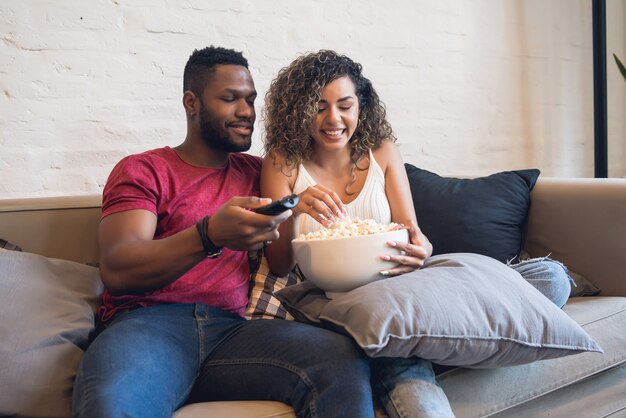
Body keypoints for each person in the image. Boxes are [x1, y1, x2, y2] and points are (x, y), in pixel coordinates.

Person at [259, 50, 572, 418]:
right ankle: (436, 339)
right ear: (298, 110)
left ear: (361, 107)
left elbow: (414, 233)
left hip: (402, 283)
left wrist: (421, 248)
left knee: (550, 276)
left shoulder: (383, 152)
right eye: (318, 106)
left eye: (345, 105)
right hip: (337, 302)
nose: (333, 119)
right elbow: (278, 265)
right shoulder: (283, 162)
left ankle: (435, 333)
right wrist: (293, 209)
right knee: (398, 353)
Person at [72, 46, 377, 418]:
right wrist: (209, 234)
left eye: (250, 99)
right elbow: (119, 269)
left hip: (232, 333)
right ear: (192, 102)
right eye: (230, 99)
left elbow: (335, 155)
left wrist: (300, 207)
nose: (246, 111)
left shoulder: (259, 171)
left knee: (340, 360)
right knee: (110, 406)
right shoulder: (145, 170)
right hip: (147, 326)